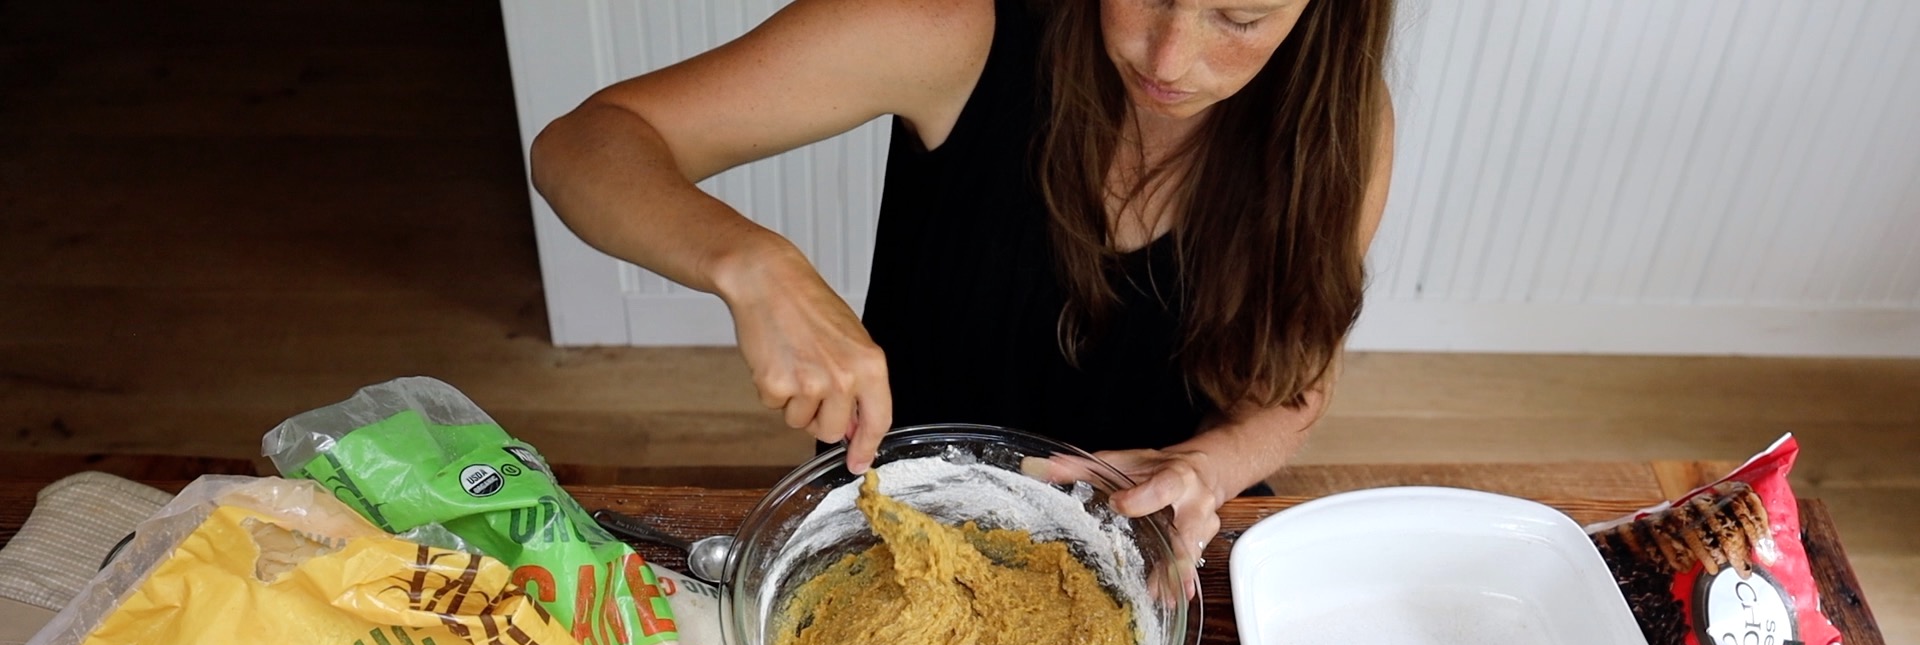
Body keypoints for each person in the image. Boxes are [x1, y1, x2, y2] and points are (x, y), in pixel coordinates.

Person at [530, 0, 1396, 569]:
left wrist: (1206, 467)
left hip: (1151, 546)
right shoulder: (955, 25)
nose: (1170, 55)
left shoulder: (1338, 128)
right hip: (902, 518)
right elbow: (582, 145)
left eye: (1238, 16)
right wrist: (754, 264)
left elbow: (1295, 381)